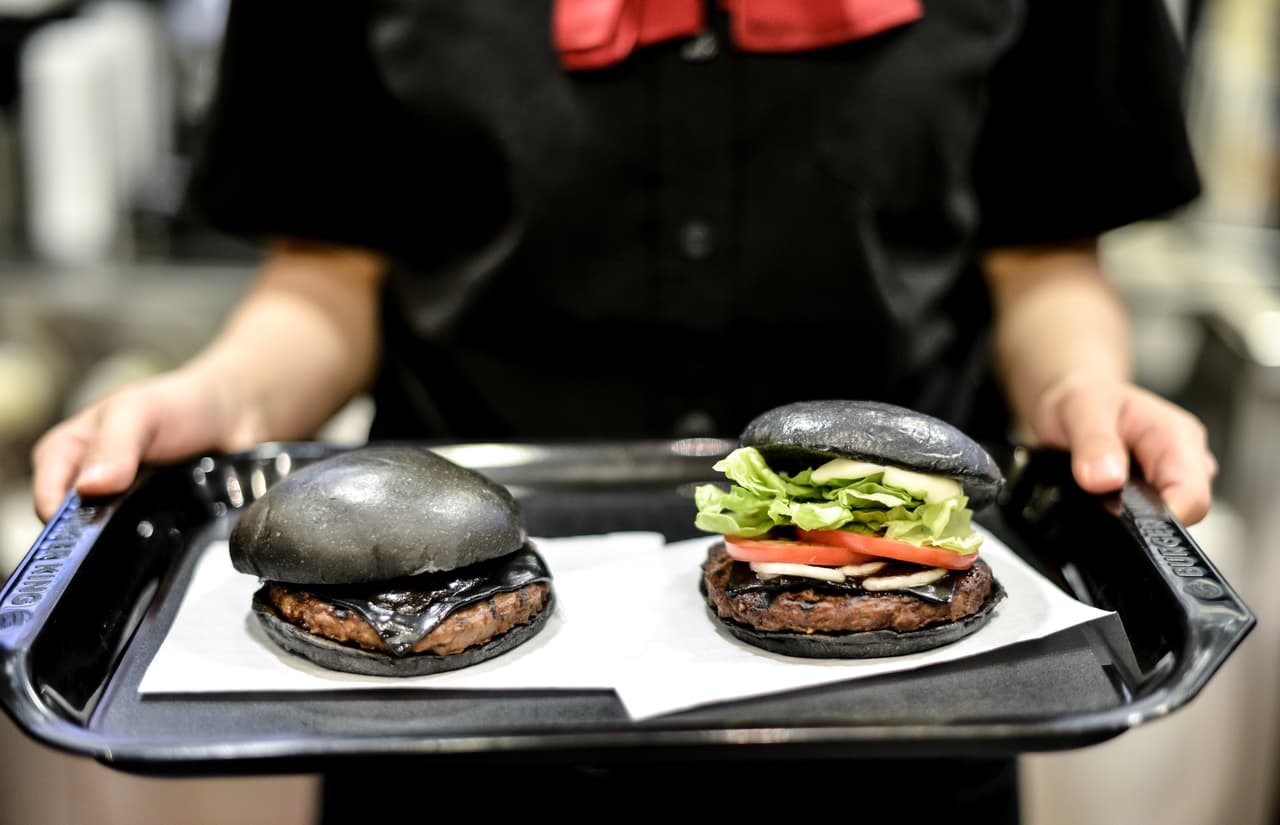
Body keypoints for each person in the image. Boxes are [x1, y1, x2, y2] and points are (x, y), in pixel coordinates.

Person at [29, 0, 1216, 821]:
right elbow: (327, 278)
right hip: (439, 720)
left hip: (897, 725)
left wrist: (1080, 393)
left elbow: (1042, 263)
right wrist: (213, 394)